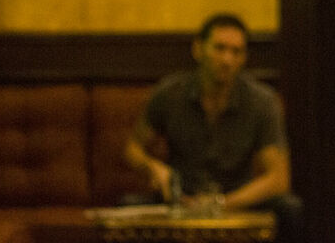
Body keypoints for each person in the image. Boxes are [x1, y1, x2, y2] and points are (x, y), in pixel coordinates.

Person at [124, 13, 304, 243]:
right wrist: (154, 168)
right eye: (219, 48)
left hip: (237, 199)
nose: (227, 59)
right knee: (126, 206)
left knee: (290, 209)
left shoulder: (262, 101)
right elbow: (132, 149)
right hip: (181, 198)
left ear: (244, 58)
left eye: (236, 52)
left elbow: (278, 179)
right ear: (198, 49)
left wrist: (223, 204)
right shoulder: (169, 93)